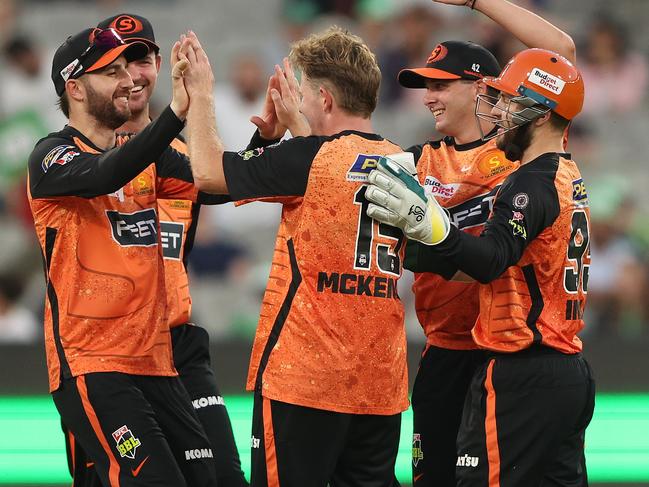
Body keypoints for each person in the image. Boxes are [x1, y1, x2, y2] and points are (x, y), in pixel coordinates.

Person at [179, 27, 409, 486]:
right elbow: (341, 168)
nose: (298, 102)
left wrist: (201, 94)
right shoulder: (402, 160)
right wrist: (293, 133)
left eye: (304, 93)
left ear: (324, 98)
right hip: (379, 384)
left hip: (303, 378)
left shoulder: (306, 160)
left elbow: (205, 173)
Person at [365, 47, 595, 486]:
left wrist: (430, 226)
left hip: (523, 363)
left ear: (542, 115)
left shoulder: (529, 180)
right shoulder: (564, 170)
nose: (501, 112)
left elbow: (490, 259)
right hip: (566, 365)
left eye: (512, 103)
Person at [58, 14, 249, 487]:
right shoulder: (55, 154)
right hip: (95, 356)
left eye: (139, 61)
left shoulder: (171, 156)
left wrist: (272, 137)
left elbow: (223, 182)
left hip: (168, 347)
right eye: (113, 69)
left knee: (217, 478)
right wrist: (178, 114)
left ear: (160, 65)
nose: (129, 77)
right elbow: (108, 173)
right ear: (77, 88)